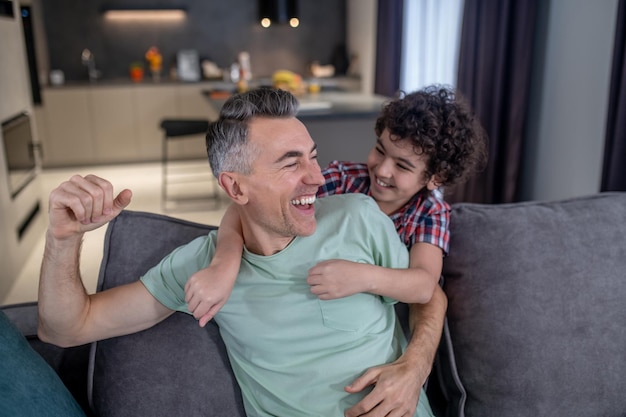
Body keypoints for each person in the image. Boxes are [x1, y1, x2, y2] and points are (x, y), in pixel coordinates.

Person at [38, 87, 437, 417]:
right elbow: (65, 328)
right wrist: (63, 239)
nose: (317, 178)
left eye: (313, 157)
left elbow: (428, 292)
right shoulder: (200, 268)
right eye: (290, 164)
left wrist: (416, 368)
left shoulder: (359, 215)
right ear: (236, 188)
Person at [184, 85, 488, 415]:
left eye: (402, 166)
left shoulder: (431, 213)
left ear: (435, 177)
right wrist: (224, 262)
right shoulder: (346, 179)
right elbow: (250, 206)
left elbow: (425, 286)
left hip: (387, 321)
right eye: (379, 150)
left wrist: (362, 277)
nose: (382, 170)